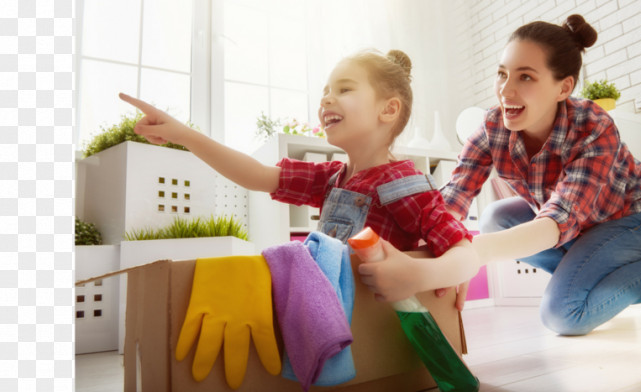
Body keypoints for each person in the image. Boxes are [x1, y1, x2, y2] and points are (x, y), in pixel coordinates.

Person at [358, 15, 641, 336]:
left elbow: (558, 219)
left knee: (564, 315)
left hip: (631, 219)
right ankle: (589, 277)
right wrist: (423, 254)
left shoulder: (593, 126)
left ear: (563, 87)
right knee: (494, 219)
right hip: (575, 229)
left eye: (526, 77)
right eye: (503, 74)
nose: (506, 90)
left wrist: (469, 256)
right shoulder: (492, 127)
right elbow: (452, 200)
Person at [118, 49, 478, 289]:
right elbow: (256, 175)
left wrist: (419, 275)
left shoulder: (403, 183)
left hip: (370, 320)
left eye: (344, 89)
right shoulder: (331, 177)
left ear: (388, 110)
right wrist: (183, 134)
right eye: (325, 91)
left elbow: (464, 251)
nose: (325, 99)